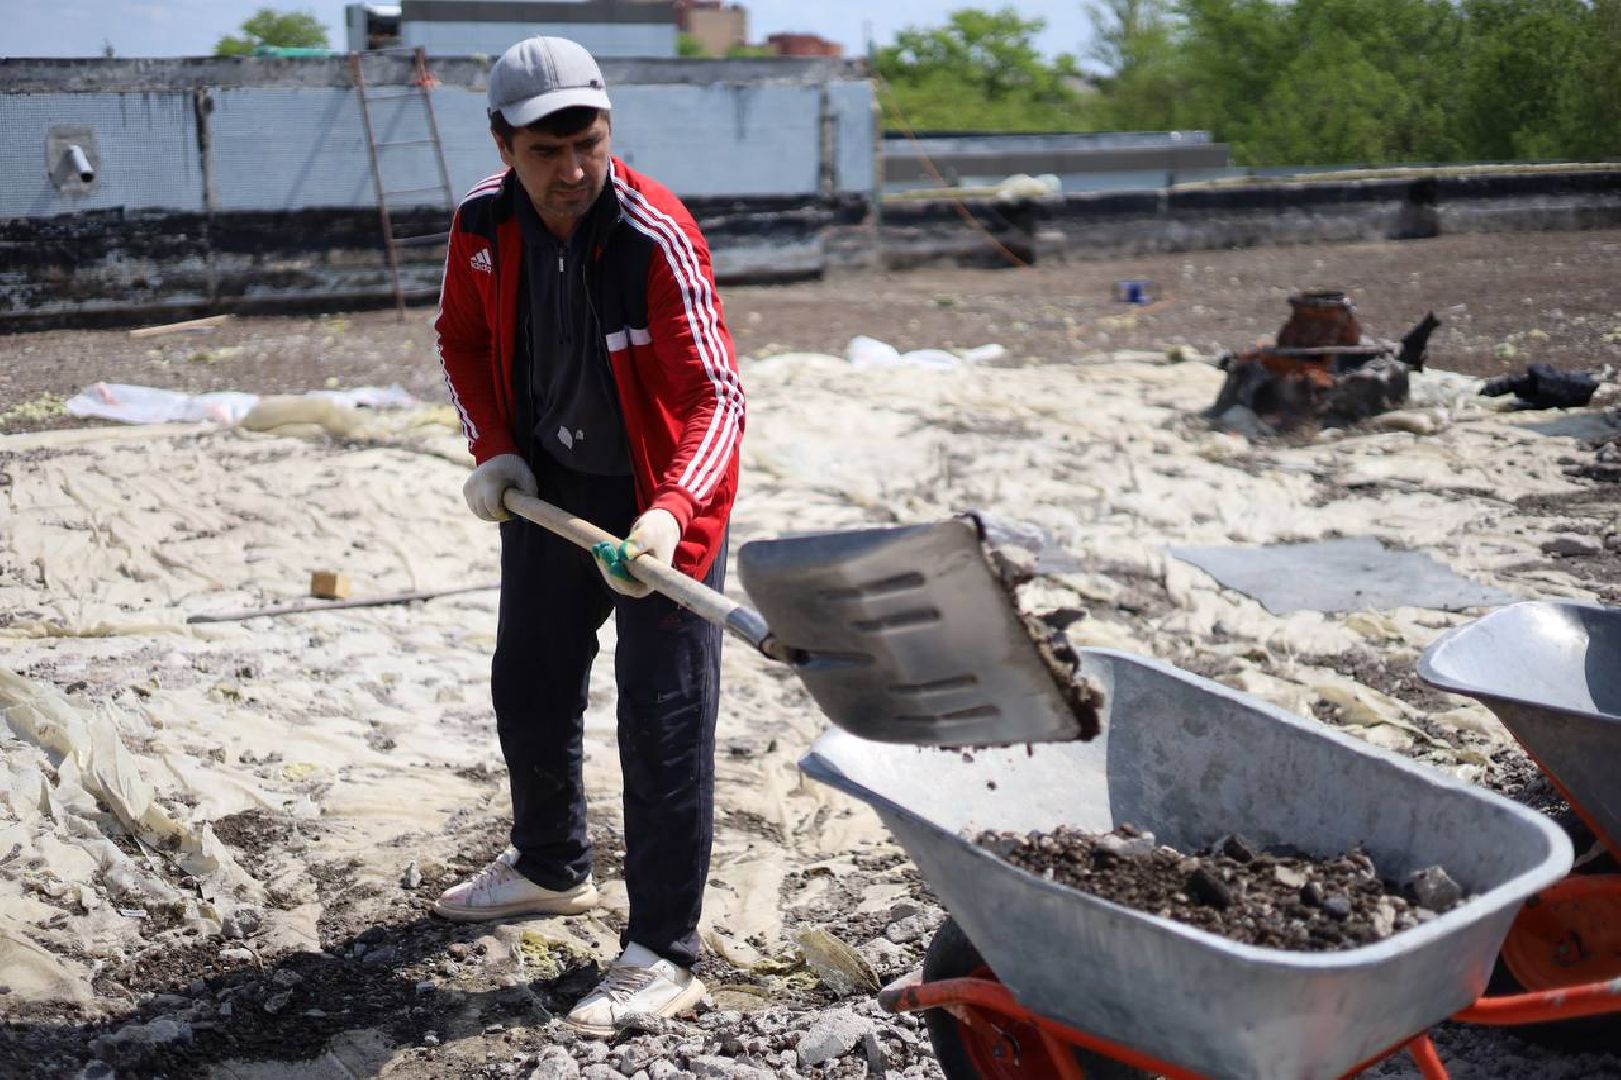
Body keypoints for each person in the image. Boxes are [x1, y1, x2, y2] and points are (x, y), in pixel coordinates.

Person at [430, 34, 744, 1035]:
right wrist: (493, 449)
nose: (570, 172)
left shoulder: (653, 234)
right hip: (551, 488)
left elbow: (717, 397)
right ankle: (548, 864)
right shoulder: (481, 222)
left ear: (608, 130)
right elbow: (463, 338)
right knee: (528, 676)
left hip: (660, 502)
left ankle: (662, 950)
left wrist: (669, 515)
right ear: (503, 144)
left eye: (588, 144)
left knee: (661, 721)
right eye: (544, 151)